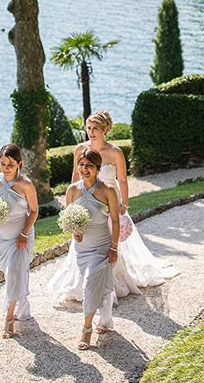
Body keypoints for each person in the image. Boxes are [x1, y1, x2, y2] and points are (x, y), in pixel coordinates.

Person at [46, 110, 178, 314]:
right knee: (85, 238)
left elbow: (123, 180)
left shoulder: (115, 152)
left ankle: (113, 282)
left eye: (95, 129)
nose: (90, 132)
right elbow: (75, 176)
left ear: (105, 130)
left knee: (110, 239)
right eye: (88, 128)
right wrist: (72, 203)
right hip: (86, 199)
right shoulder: (80, 149)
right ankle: (85, 282)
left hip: (110, 200)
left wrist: (125, 203)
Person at [65, 146, 119, 349]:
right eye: (81, 165)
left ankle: (86, 329)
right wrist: (74, 233)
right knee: (97, 285)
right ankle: (104, 320)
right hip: (82, 248)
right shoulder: (72, 190)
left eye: (89, 165)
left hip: (102, 247)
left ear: (97, 168)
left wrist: (114, 248)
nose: (84, 168)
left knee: (90, 283)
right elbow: (68, 219)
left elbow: (115, 220)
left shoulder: (108, 190)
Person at [0, 142, 38, 338]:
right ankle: (19, 306)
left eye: (10, 164)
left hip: (21, 237)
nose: (6, 168)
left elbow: (34, 211)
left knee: (15, 273)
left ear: (19, 164)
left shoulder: (26, 184)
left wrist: (24, 233)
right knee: (11, 275)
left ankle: (8, 319)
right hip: (2, 239)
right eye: (2, 163)